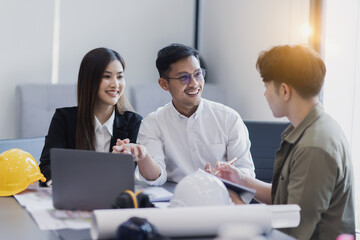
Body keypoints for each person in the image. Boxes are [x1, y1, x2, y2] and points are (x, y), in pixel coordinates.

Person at [206, 45, 355, 239]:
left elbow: (292, 230)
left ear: (284, 91)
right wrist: (239, 180)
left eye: (266, 86)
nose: (265, 94)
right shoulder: (311, 128)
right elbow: (286, 200)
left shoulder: (313, 147)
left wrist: (238, 206)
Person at [113, 43, 255, 186]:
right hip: (174, 200)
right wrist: (143, 156)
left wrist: (224, 177)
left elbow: (246, 172)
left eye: (198, 74)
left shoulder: (229, 118)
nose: (194, 84)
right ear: (164, 84)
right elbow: (156, 177)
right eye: (183, 78)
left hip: (221, 197)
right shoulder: (152, 123)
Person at [39, 47, 145, 186]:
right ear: (89, 80)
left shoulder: (133, 122)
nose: (115, 84)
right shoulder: (64, 119)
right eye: (107, 76)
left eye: (120, 76)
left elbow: (126, 176)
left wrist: (116, 162)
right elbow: (47, 167)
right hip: (72, 196)